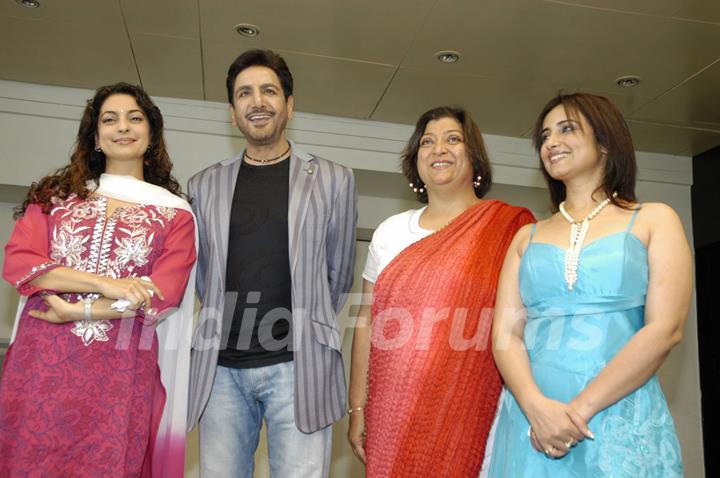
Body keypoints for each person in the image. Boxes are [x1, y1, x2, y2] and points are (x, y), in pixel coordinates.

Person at [487, 92, 691, 477]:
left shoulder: (655, 220)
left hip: (618, 413)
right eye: (545, 136)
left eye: (567, 129)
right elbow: (505, 335)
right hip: (532, 420)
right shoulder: (525, 238)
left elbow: (666, 329)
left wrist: (577, 412)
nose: (551, 143)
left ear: (604, 142)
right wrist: (537, 409)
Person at [0, 82, 197, 477]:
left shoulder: (176, 215)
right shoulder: (55, 198)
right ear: (95, 136)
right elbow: (21, 261)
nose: (123, 127)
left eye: (134, 118)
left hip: (120, 372)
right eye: (110, 119)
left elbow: (161, 294)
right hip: (43, 363)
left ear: (152, 134)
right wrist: (107, 284)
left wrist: (77, 311)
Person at [186, 49, 357, 477]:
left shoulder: (335, 179)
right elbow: (205, 277)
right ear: (232, 112)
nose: (257, 101)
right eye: (245, 93)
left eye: (269, 91)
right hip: (220, 370)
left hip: (300, 367)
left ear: (290, 105)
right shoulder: (202, 185)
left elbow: (337, 274)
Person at [347, 106, 534, 477]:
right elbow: (367, 322)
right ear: (415, 159)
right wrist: (357, 408)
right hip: (392, 412)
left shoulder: (508, 229)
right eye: (427, 142)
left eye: (453, 139)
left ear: (474, 155)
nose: (438, 149)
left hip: (473, 409)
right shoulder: (390, 232)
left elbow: (522, 326)